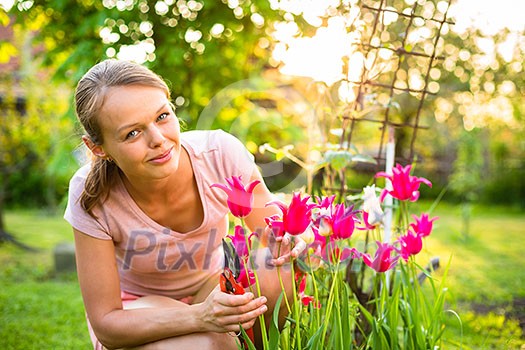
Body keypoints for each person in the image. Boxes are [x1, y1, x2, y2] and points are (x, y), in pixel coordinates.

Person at [64, 59, 304, 349]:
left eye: (162, 116)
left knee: (278, 273)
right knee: (210, 344)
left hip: (212, 286)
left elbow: (275, 233)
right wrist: (200, 317)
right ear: (98, 148)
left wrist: (293, 239)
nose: (158, 140)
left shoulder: (218, 154)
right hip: (138, 310)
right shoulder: (90, 194)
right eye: (132, 133)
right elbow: (107, 324)